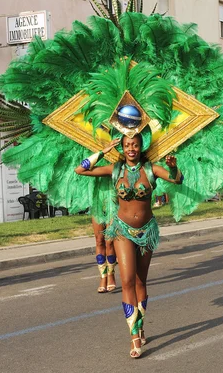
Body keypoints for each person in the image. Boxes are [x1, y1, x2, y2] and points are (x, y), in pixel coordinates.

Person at [75, 134, 183, 358]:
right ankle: (134, 335)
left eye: (134, 144)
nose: (131, 148)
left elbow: (177, 180)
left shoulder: (152, 169)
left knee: (140, 281)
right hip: (122, 230)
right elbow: (81, 170)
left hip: (147, 232)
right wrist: (104, 151)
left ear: (141, 147)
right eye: (126, 145)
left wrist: (173, 167)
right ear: (122, 148)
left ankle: (140, 324)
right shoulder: (115, 169)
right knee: (126, 281)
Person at [92, 218, 117, 293]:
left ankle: (110, 274)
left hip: (112, 208)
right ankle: (103, 277)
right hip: (97, 207)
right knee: (99, 241)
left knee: (109, 241)